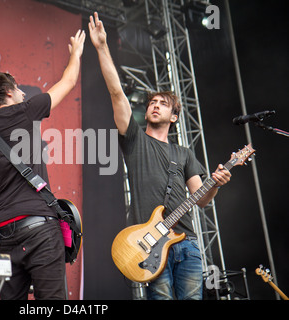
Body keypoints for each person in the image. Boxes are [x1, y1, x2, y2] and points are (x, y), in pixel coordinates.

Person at [88, 12, 231, 300]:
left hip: (187, 241)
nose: (154, 106)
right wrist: (103, 47)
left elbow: (200, 199)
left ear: (175, 117)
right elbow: (117, 93)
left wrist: (215, 183)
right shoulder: (135, 139)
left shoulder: (184, 153)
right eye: (152, 102)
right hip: (150, 245)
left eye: (163, 104)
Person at [0, 30, 85, 300]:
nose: (22, 93)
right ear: (9, 92)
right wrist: (75, 54)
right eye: (18, 89)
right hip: (41, 229)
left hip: (5, 236)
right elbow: (68, 80)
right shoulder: (27, 111)